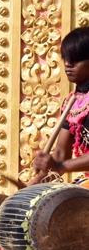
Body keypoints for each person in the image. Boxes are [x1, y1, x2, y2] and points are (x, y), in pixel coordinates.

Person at [32, 27, 89, 181]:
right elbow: (60, 155)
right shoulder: (73, 101)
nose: (68, 64)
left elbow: (60, 164)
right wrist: (29, 187)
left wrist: (61, 166)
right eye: (66, 58)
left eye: (76, 59)